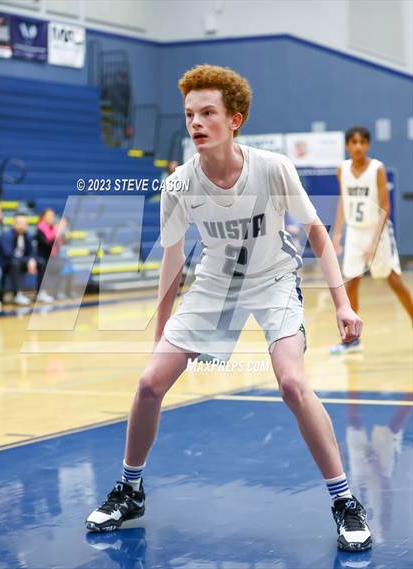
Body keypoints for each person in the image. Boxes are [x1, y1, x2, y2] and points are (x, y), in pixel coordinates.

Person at [86, 65, 371, 552]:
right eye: (189, 114)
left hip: (275, 279)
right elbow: (172, 261)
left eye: (208, 113)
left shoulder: (272, 168)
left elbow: (317, 233)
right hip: (215, 285)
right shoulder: (178, 185)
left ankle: (345, 500)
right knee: (149, 383)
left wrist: (342, 305)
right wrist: (161, 333)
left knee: (292, 383)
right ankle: (130, 490)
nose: (196, 122)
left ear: (234, 120)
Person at [331, 126, 413, 354]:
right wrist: (337, 235)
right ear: (347, 145)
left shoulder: (377, 168)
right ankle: (352, 339)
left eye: (362, 142)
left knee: (394, 282)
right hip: (355, 232)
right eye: (353, 142)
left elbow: (385, 207)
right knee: (351, 283)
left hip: (378, 231)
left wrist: (374, 243)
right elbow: (343, 201)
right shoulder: (342, 169)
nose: (358, 146)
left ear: (367, 145)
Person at [0, 212, 49, 305]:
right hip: (6, 264)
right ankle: (17, 294)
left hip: (21, 262)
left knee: (42, 262)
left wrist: (31, 260)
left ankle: (40, 292)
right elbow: (9, 254)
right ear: (13, 224)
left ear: (27, 225)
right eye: (19, 223)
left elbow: (32, 252)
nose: (21, 226)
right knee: (14, 263)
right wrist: (28, 261)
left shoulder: (28, 236)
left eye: (24, 223)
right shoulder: (6, 235)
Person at [36, 209, 74, 300]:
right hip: (43, 257)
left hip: (54, 257)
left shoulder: (53, 228)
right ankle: (43, 292)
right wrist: (57, 233)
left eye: (52, 215)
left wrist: (63, 232)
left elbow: (64, 242)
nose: (51, 217)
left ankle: (64, 292)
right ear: (43, 217)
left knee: (69, 267)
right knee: (53, 265)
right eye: (49, 215)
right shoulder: (40, 229)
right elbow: (46, 244)